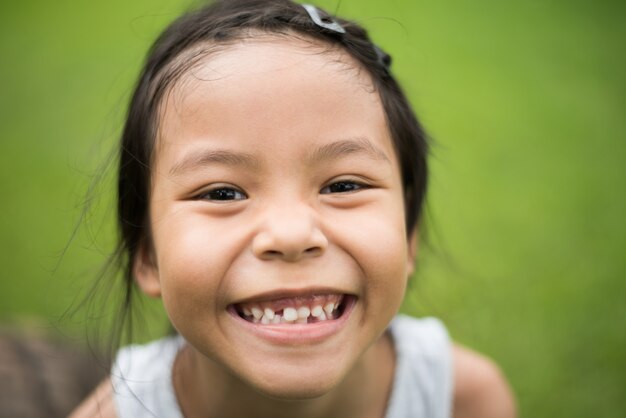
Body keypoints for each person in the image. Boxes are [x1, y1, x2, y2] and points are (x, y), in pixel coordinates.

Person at [71, 0, 516, 416]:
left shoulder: (461, 398)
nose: (291, 234)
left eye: (343, 185)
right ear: (147, 253)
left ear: (409, 235)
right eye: (222, 193)